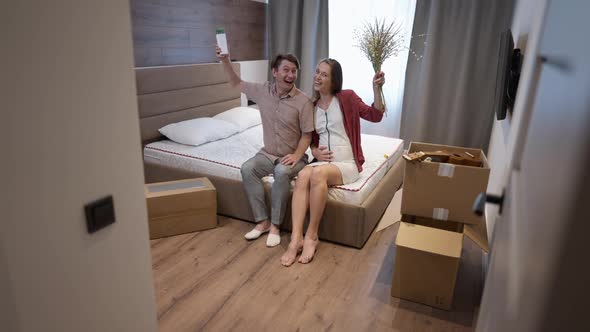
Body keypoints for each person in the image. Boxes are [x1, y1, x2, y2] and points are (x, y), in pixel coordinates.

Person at [280, 58, 385, 266]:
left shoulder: (347, 97)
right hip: (323, 162)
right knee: (302, 175)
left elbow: (375, 115)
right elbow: (311, 139)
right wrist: (315, 152)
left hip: (347, 162)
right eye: (317, 72)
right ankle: (295, 238)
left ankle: (311, 236)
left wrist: (376, 89)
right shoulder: (312, 106)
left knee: (318, 175)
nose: (318, 77)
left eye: (324, 74)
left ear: (334, 80)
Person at [216, 46, 314, 247]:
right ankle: (263, 222)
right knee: (247, 168)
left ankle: (276, 225)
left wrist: (296, 155)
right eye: (285, 70)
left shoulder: (303, 101)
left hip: (293, 157)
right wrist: (225, 60)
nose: (290, 75)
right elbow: (236, 83)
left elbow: (307, 135)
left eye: (294, 71)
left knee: (282, 171)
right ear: (275, 72)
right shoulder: (262, 91)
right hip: (267, 153)